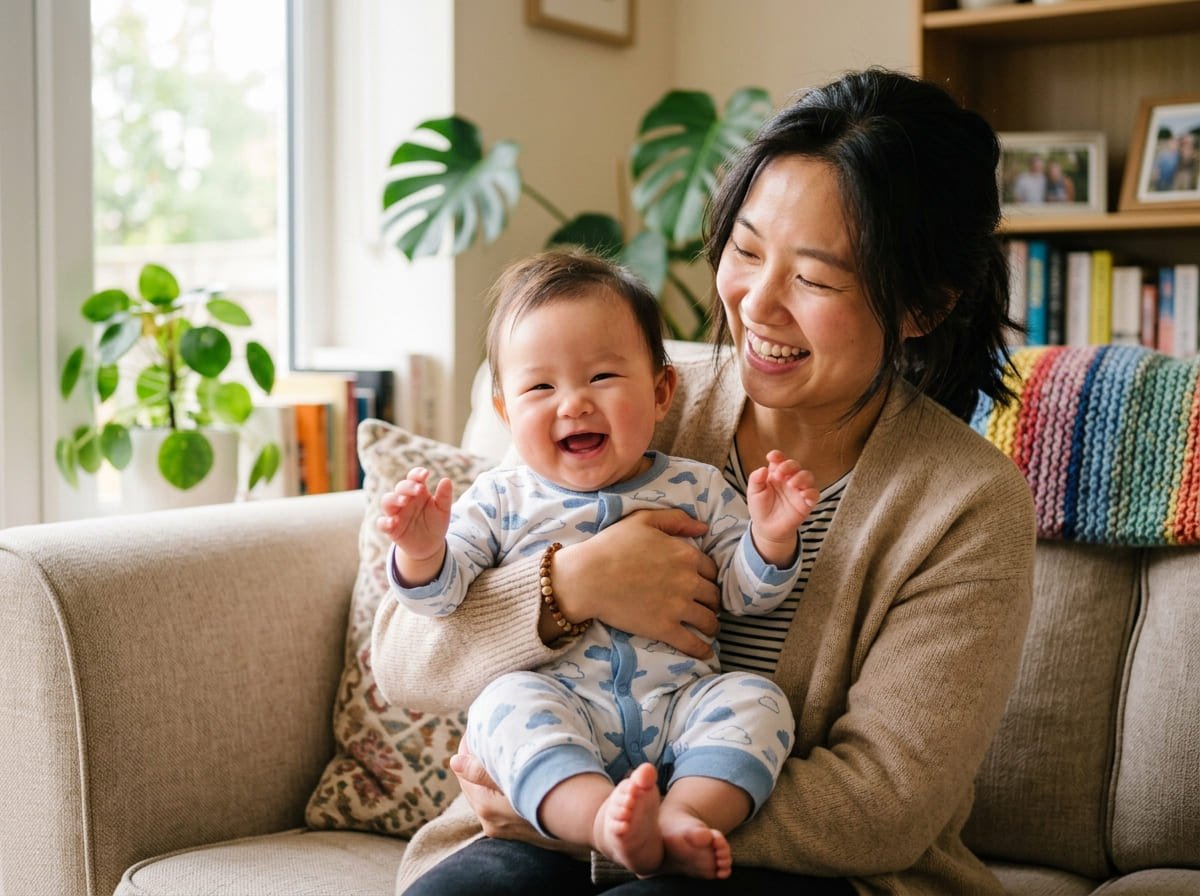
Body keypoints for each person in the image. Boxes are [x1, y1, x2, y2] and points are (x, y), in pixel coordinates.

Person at [372, 67, 1037, 895]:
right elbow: (404, 659)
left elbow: (884, 802)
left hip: (794, 866)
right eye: (747, 250)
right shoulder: (626, 401)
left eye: (816, 279)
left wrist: (634, 825)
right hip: (543, 833)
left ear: (923, 307)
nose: (758, 304)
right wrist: (568, 585)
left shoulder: (966, 505)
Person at [377, 249, 820, 880]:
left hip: (679, 710)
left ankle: (684, 816)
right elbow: (441, 601)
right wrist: (422, 552)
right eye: (540, 387)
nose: (574, 404)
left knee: (757, 699)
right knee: (503, 703)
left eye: (603, 378)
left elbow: (743, 596)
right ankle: (598, 822)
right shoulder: (501, 498)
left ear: (663, 390)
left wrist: (771, 540)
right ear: (504, 413)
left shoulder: (698, 488)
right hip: (558, 708)